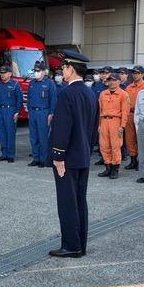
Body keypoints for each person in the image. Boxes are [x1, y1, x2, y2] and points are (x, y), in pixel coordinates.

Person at [47, 59, 98, 258]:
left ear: (71, 69)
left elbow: (62, 127)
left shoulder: (67, 93)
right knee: (79, 200)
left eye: (64, 68)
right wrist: (88, 147)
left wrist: (58, 155)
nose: (62, 72)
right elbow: (94, 127)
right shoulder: (90, 93)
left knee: (67, 201)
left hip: (67, 156)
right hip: (83, 154)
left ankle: (71, 245)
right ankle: (80, 244)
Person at [96, 71, 129, 179]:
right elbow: (100, 110)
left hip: (116, 121)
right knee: (104, 146)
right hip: (104, 121)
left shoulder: (123, 94)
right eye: (110, 80)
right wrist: (99, 125)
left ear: (119, 81)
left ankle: (115, 169)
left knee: (115, 147)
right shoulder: (103, 94)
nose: (112, 82)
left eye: (114, 80)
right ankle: (108, 167)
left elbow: (125, 111)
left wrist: (122, 126)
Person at [27, 61, 57, 167]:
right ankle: (36, 158)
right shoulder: (31, 83)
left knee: (43, 137)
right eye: (35, 71)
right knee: (33, 137)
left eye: (38, 71)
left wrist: (51, 114)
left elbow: (53, 100)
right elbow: (29, 99)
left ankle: (43, 159)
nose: (36, 73)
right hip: (33, 112)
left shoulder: (50, 83)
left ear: (44, 72)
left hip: (44, 112)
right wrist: (29, 111)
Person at [0, 65, 22, 163]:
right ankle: (4, 154)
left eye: (4, 73)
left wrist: (17, 111)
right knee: (2, 133)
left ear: (10, 74)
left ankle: (10, 155)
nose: (2, 75)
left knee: (10, 133)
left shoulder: (15, 85)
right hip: (1, 111)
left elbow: (19, 99)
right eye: (1, 73)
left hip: (11, 111)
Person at [124, 65, 144, 170]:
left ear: (142, 74)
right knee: (130, 139)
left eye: (138, 73)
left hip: (141, 115)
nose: (135, 75)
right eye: (134, 73)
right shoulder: (128, 87)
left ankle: (141, 161)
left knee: (141, 139)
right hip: (129, 114)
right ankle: (133, 160)